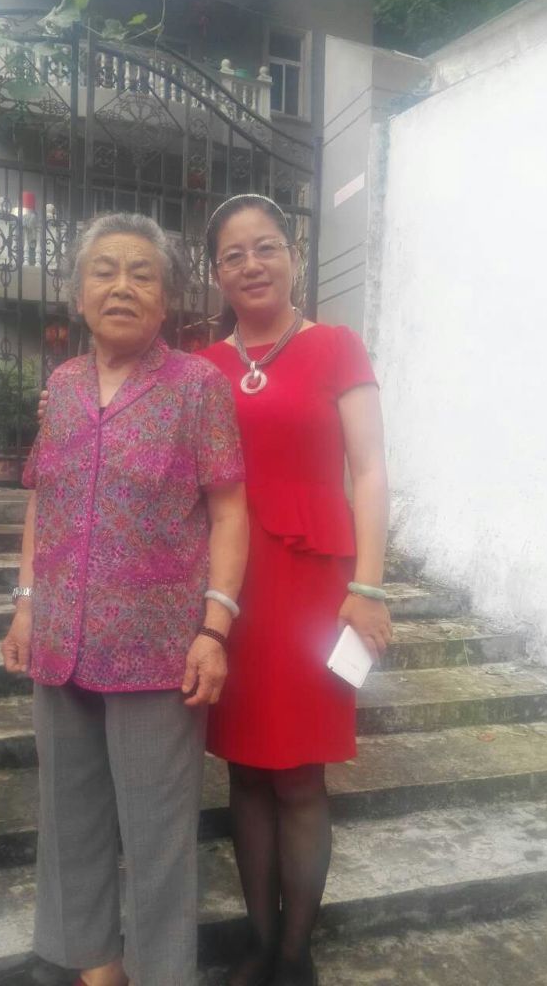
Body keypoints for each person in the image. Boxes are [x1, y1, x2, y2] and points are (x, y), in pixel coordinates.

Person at [1, 212, 248, 986]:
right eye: (104, 271)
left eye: (142, 274)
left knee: (157, 832)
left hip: (157, 647)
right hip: (60, 638)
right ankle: (96, 967)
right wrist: (25, 602)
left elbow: (230, 512)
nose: (122, 286)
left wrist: (215, 628)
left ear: (166, 300)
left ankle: (160, 973)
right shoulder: (63, 386)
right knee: (69, 819)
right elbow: (43, 497)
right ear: (78, 294)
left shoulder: (198, 387)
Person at [200, 194, 392, 986]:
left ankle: (294, 953)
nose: (252, 264)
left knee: (302, 774)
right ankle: (259, 940)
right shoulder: (202, 368)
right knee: (246, 770)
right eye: (234, 254)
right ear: (217, 274)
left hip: (317, 587)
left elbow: (370, 470)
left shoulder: (336, 347)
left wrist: (370, 584)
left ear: (293, 256)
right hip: (233, 588)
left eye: (267, 247)